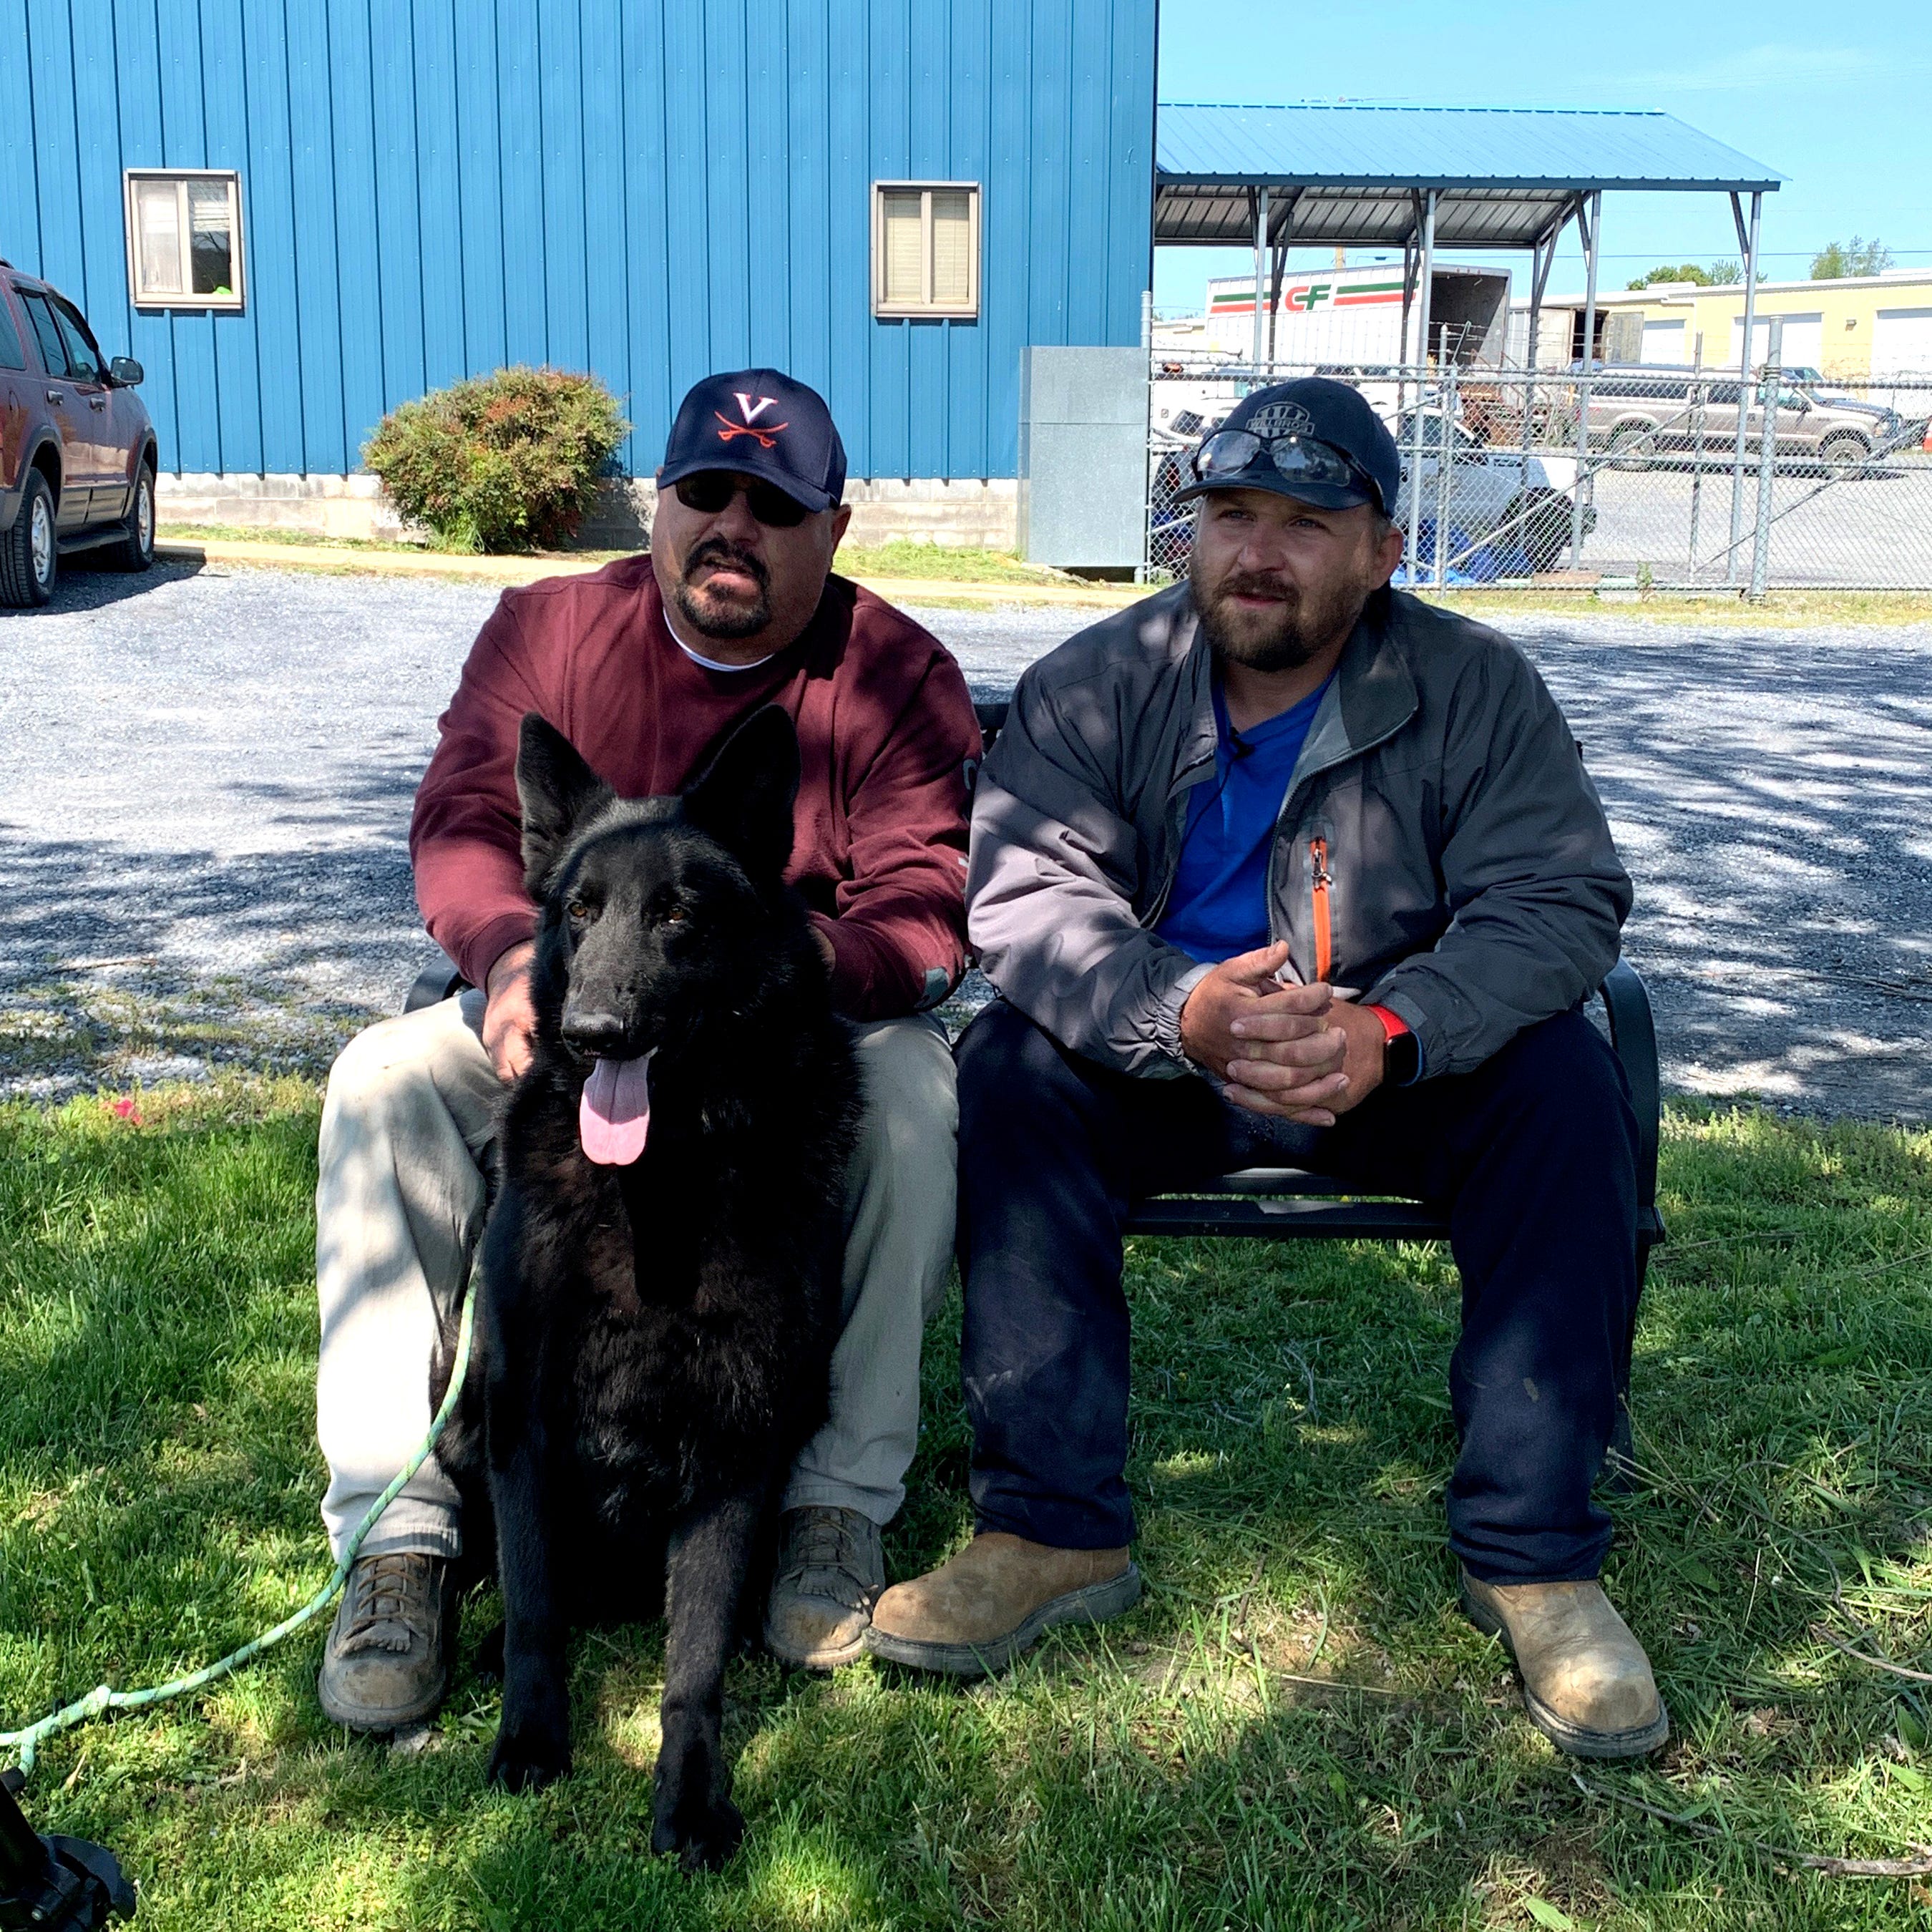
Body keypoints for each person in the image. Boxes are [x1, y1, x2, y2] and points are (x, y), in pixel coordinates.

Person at [867, 378, 1669, 1760]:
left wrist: (1393, 1029)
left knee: (1565, 1091)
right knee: (1012, 1067)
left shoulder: (1476, 688)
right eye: (1232, 513)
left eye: (1308, 520)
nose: (1259, 550)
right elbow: (1022, 896)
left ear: (1383, 546)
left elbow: (1555, 900)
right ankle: (1050, 1530)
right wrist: (1176, 1010)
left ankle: (1534, 1557)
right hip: (1167, 1055)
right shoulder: (1098, 681)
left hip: (1396, 1064)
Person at [314, 369, 980, 1729]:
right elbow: (459, 824)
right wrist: (511, 964)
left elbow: (923, 908)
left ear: (833, 528)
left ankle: (831, 1509)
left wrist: (796, 974)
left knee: (913, 1088)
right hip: (559, 1014)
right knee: (381, 1077)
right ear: (660, 505)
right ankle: (402, 1539)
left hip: (769, 1038)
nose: (732, 526)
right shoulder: (550, 627)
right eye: (705, 495)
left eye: (772, 505)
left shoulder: (899, 674)